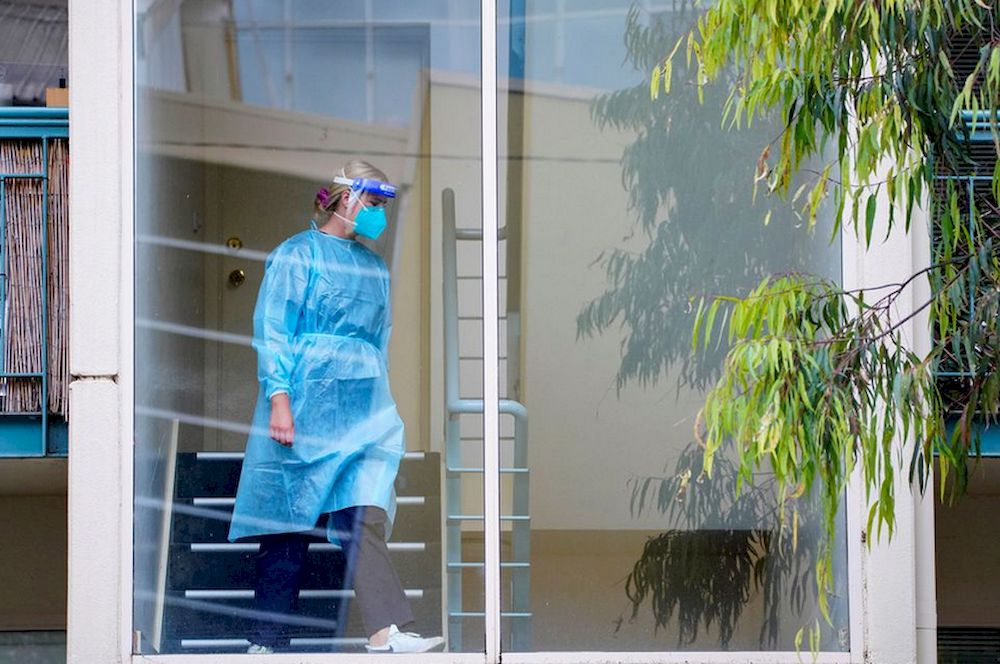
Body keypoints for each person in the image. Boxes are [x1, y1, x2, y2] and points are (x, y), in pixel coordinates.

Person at [228, 160, 444, 654]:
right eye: (373, 204)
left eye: (383, 208)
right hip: (304, 406)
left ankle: (385, 631)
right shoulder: (296, 256)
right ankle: (265, 640)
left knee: (359, 514)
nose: (378, 216)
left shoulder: (374, 268)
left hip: (360, 411)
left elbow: (378, 341)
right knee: (290, 521)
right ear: (347, 198)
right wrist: (279, 400)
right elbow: (274, 331)